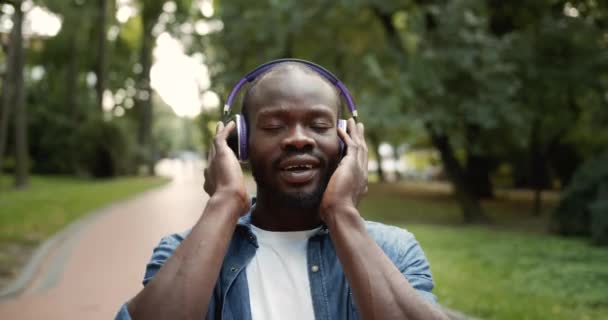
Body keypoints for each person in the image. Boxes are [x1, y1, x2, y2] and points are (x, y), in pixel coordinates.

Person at [115, 60, 447, 320]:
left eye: (319, 126)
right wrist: (225, 200)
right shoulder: (181, 252)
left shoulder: (395, 251)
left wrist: (341, 213)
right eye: (274, 126)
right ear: (239, 143)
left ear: (347, 143)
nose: (298, 139)